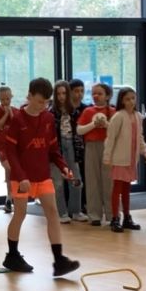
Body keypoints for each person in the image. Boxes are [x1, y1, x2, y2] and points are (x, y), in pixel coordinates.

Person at [2, 78, 80, 277]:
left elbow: (53, 149)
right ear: (29, 96)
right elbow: (10, 152)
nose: (42, 106)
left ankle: (59, 260)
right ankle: (12, 255)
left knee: (53, 212)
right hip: (22, 177)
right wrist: (21, 177)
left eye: (46, 102)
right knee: (20, 214)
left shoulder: (48, 118)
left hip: (43, 175)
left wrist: (64, 167)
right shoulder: (17, 119)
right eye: (39, 101)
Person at [103, 87, 146, 232]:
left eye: (133, 98)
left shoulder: (137, 116)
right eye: (127, 99)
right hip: (119, 159)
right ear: (122, 101)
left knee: (126, 189)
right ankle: (115, 218)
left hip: (131, 160)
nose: (131, 101)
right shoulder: (118, 116)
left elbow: (140, 137)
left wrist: (145, 152)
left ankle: (127, 218)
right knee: (117, 189)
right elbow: (110, 138)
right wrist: (107, 157)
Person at [77, 83, 115, 226]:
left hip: (108, 146)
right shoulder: (88, 111)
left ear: (107, 96)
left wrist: (105, 125)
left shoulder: (113, 111)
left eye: (99, 93)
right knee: (92, 181)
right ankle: (94, 215)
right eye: (93, 93)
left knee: (109, 181)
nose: (96, 96)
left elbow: (117, 130)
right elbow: (79, 130)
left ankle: (112, 215)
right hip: (91, 146)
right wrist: (93, 125)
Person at [49, 80, 87, 223]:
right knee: (58, 183)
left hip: (72, 145)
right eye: (58, 94)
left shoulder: (75, 112)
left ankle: (75, 211)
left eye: (64, 93)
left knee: (76, 180)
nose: (61, 97)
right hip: (57, 148)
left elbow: (79, 132)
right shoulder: (51, 113)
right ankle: (62, 213)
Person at [0, 85, 16, 213]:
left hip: (12, 146)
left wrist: (11, 113)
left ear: (11, 97)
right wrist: (6, 114)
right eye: (2, 99)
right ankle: (10, 197)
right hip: (1, 146)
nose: (5, 102)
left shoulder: (15, 111)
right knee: (9, 168)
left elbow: (17, 126)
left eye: (8, 99)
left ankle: (9, 199)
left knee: (10, 171)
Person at [69, 78, 88, 214]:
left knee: (83, 176)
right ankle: (70, 205)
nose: (79, 94)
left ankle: (83, 204)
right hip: (68, 147)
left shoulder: (86, 109)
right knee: (71, 177)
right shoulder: (66, 110)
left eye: (82, 91)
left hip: (83, 147)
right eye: (76, 91)